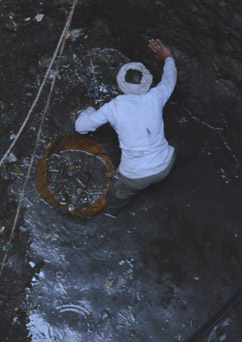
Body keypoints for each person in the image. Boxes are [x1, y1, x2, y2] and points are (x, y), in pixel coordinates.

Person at [74, 38, 177, 217]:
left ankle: (112, 215)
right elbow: (169, 80)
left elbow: (80, 127)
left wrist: (89, 109)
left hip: (135, 177)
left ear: (120, 88)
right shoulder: (156, 96)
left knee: (116, 197)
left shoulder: (114, 107)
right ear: (147, 84)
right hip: (166, 164)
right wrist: (168, 57)